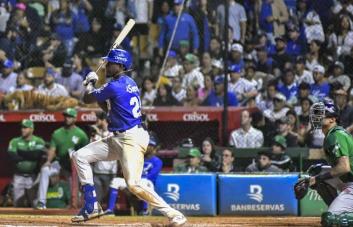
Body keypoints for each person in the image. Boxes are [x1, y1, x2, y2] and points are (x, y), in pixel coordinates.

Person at [71, 48, 186, 225]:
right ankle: (91, 205)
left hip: (131, 138)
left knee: (133, 184)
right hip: (119, 138)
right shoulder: (128, 82)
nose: (107, 65)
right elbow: (108, 108)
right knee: (80, 156)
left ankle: (174, 214)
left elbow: (87, 99)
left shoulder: (114, 86)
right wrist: (95, 85)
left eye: (110, 63)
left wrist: (89, 84)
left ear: (120, 65)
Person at [303, 98, 353, 226]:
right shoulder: (332, 134)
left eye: (322, 113)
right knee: (316, 171)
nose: (317, 116)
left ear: (332, 119)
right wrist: (315, 177)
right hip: (348, 181)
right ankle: (339, 208)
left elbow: (344, 167)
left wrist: (317, 178)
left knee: (330, 220)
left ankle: (341, 213)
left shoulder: (336, 135)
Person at [36, 108, 89, 209]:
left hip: (73, 166)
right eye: (65, 116)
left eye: (69, 116)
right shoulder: (57, 133)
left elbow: (85, 152)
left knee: (75, 194)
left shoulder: (81, 134)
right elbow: (52, 149)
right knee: (45, 170)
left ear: (74, 118)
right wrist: (48, 161)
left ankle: (77, 207)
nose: (67, 118)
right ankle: (41, 202)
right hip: (60, 163)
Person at [105, 134, 162, 216]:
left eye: (149, 145)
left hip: (146, 183)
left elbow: (152, 176)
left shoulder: (157, 161)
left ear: (154, 148)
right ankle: (110, 210)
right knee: (115, 181)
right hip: (132, 181)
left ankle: (144, 210)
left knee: (144, 182)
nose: (146, 147)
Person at [8, 119, 45, 207]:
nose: (22, 130)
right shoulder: (15, 141)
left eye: (25, 128)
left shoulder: (38, 141)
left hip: (33, 177)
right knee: (17, 203)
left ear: (31, 129)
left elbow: (37, 155)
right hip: (18, 176)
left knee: (35, 203)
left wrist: (20, 152)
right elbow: (13, 156)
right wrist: (30, 155)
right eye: (22, 127)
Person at [90, 112, 117, 204]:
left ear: (103, 120)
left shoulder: (113, 132)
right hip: (97, 170)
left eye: (98, 119)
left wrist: (98, 133)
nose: (96, 121)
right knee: (97, 196)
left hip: (110, 171)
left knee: (107, 196)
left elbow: (109, 145)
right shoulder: (96, 134)